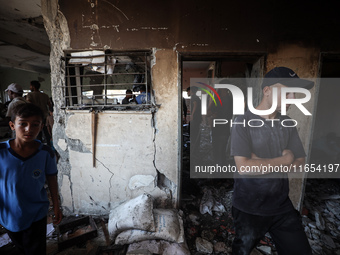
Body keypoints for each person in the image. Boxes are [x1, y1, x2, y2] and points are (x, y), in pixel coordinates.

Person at [230, 67, 313, 255]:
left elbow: (300, 161)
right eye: (287, 91)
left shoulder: (288, 124)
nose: (292, 98)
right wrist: (285, 159)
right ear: (267, 90)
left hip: (281, 206)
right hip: (249, 207)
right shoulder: (242, 121)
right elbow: (244, 167)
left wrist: (262, 162)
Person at [0, 103, 62, 255]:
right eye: (23, 124)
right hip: (9, 213)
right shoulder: (1, 152)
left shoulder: (46, 153)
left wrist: (56, 205)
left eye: (35, 125)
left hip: (36, 213)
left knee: (36, 250)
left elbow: (52, 179)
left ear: (41, 127)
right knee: (20, 247)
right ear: (12, 125)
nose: (29, 129)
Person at [187, 86, 202, 154]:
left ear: (191, 91)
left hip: (195, 118)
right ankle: (195, 148)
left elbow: (195, 105)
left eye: (188, 91)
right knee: (194, 133)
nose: (187, 92)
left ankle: (194, 149)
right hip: (197, 118)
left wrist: (192, 115)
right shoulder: (197, 97)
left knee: (193, 133)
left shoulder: (194, 97)